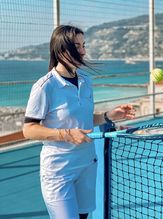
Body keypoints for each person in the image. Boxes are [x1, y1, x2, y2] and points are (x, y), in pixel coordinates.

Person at [23, 25, 135, 219]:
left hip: (87, 164)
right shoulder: (44, 86)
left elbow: (83, 119)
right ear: (60, 49)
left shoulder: (86, 81)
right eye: (77, 46)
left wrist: (109, 115)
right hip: (59, 170)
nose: (83, 51)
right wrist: (66, 134)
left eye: (84, 45)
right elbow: (29, 129)